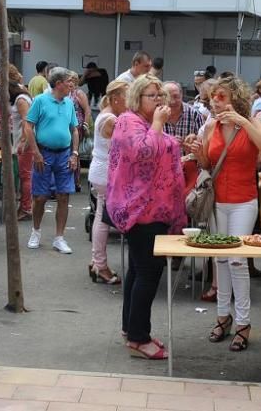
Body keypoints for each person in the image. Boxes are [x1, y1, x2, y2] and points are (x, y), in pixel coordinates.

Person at [192, 75, 261, 353]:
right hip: (218, 199)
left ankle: (243, 322)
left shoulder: (252, 121)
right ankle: (222, 316)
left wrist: (242, 122)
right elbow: (206, 162)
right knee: (221, 258)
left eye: (221, 96)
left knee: (238, 260)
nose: (215, 102)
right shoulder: (210, 124)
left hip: (244, 199)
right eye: (213, 96)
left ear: (235, 99)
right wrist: (196, 152)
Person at [107, 75, 184, 360]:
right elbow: (144, 152)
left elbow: (159, 148)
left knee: (139, 271)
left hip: (153, 209)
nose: (159, 101)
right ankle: (139, 338)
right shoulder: (129, 121)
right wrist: (159, 125)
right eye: (153, 96)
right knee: (148, 274)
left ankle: (132, 329)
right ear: (137, 97)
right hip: (141, 211)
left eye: (161, 96)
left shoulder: (143, 123)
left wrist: (179, 146)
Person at [23, 67, 79, 254]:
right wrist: (36, 153)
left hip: (64, 154)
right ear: (58, 84)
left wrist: (75, 154)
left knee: (64, 195)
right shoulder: (40, 101)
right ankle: (36, 232)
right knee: (40, 197)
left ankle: (59, 238)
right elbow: (28, 127)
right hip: (44, 153)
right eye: (67, 82)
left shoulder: (69, 103)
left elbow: (75, 129)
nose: (71, 86)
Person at [87, 80, 128, 285]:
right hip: (105, 173)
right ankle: (100, 264)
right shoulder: (111, 119)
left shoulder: (106, 114)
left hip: (100, 171)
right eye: (127, 97)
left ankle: (97, 262)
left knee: (101, 217)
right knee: (103, 220)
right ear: (115, 98)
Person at [7, 65, 34, 221]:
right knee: (25, 175)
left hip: (25, 141)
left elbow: (26, 121)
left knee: (25, 176)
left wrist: (23, 142)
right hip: (23, 140)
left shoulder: (21, 100)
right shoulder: (23, 96)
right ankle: (24, 206)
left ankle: (25, 208)